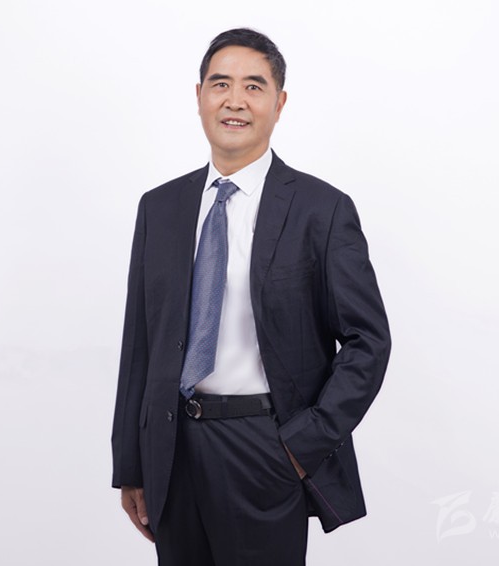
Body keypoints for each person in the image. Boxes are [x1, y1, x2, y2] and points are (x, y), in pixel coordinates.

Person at [111, 28, 391, 565]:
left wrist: (302, 445)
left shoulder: (321, 210)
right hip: (171, 449)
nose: (235, 100)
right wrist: (131, 464)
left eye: (254, 86)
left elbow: (368, 343)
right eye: (220, 84)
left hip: (264, 448)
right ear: (199, 96)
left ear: (279, 103)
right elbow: (139, 344)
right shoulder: (159, 208)